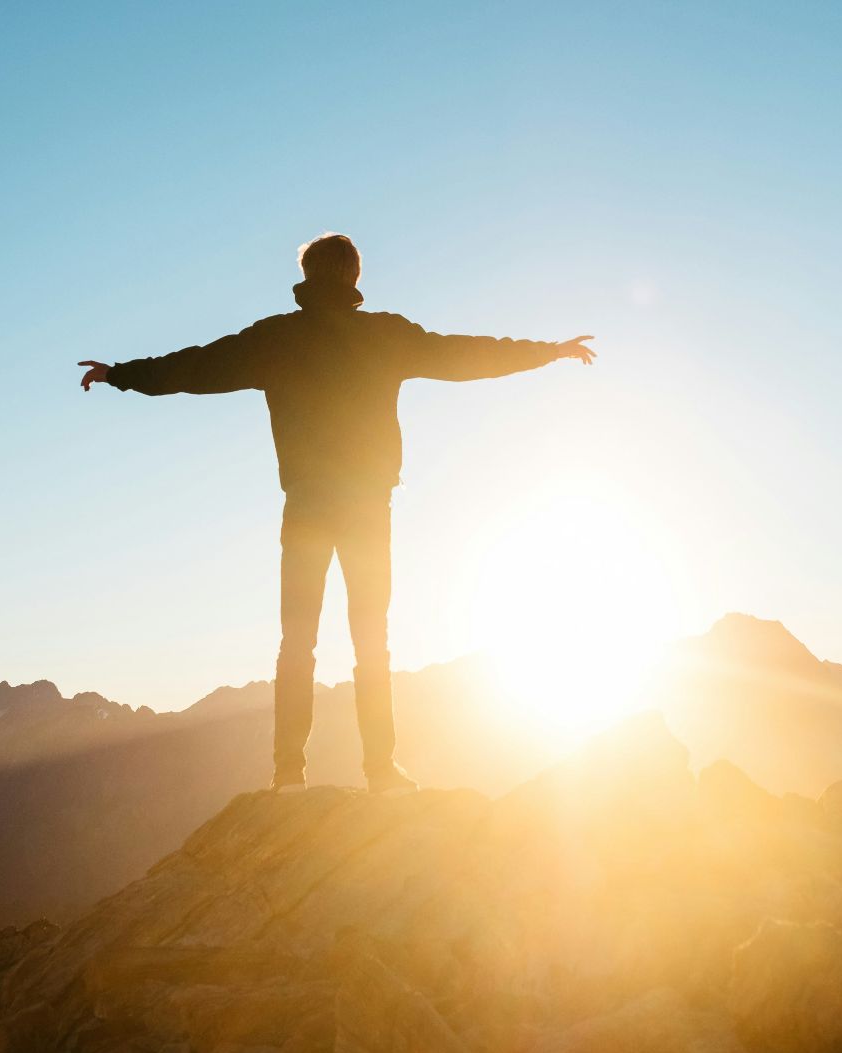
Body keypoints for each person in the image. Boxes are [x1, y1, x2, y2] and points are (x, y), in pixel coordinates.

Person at [79, 234, 594, 795]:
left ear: (307, 275)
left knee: (297, 640)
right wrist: (549, 351)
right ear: (354, 277)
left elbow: (195, 367)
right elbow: (467, 355)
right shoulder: (385, 335)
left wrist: (119, 374)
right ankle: (381, 772)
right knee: (372, 639)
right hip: (368, 506)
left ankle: (288, 774)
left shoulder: (277, 338)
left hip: (306, 505)